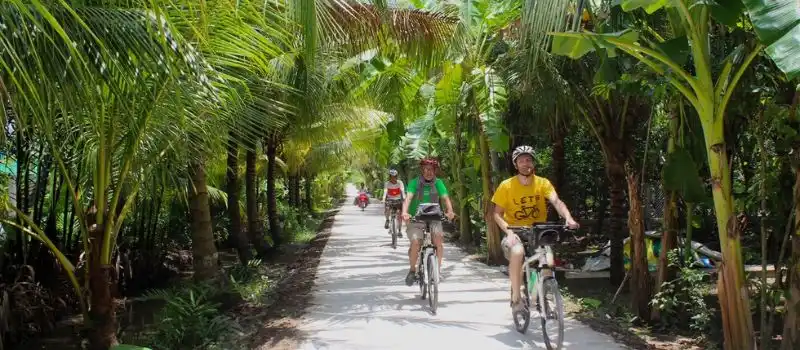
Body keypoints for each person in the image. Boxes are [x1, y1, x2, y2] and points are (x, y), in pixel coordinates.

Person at [491, 145, 579, 311]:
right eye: (522, 161)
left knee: (549, 258)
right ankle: (516, 298)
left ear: (534, 163)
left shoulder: (543, 183)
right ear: (516, 165)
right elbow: (497, 214)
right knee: (517, 252)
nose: (526, 163)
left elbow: (556, 202)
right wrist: (508, 232)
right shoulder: (506, 186)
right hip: (515, 231)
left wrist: (568, 218)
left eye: (529, 160)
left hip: (538, 231)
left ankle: (544, 293)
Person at [401, 157, 455, 286]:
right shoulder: (415, 183)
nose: (428, 172)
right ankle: (412, 270)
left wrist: (450, 211)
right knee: (415, 242)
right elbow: (408, 198)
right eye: (426, 169)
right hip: (416, 219)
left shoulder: (438, 183)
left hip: (434, 218)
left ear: (435, 171)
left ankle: (437, 270)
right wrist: (405, 213)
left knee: (439, 240)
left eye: (431, 169)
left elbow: (445, 198)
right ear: (422, 170)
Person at [382, 169, 405, 233]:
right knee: (387, 209)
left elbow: (402, 190)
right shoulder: (387, 183)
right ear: (389, 177)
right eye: (391, 177)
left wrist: (404, 198)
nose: (393, 178)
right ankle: (387, 220)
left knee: (400, 215)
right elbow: (385, 191)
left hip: (398, 200)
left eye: (395, 176)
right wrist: (383, 198)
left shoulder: (400, 182)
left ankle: (400, 230)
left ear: (396, 177)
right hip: (390, 200)